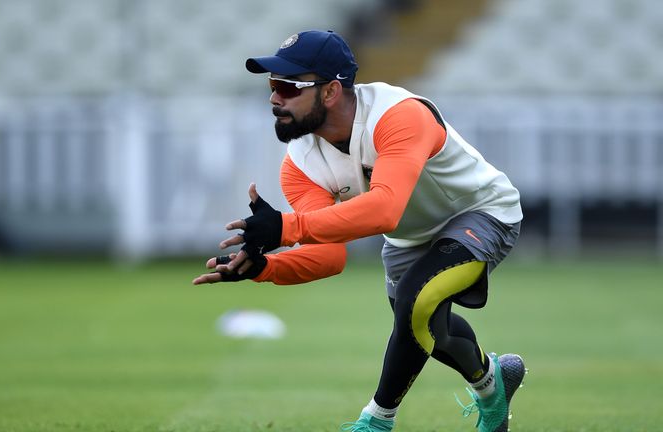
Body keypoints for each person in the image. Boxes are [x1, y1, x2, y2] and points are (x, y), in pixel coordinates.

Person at [192, 29, 527, 432]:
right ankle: (494, 386)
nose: (274, 97)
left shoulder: (399, 114)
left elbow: (385, 210)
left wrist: (284, 227)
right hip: (410, 237)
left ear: (331, 92)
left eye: (287, 86)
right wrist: (264, 268)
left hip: (482, 213)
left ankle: (376, 421)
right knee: (425, 327)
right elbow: (328, 256)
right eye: (272, 85)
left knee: (414, 303)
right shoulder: (299, 163)